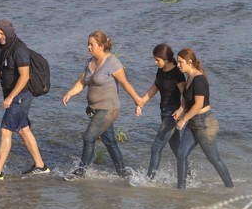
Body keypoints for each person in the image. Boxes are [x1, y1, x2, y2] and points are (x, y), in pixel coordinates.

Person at [61, 31, 143, 177]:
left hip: (109, 108)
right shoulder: (89, 62)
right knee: (109, 140)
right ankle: (123, 172)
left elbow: (125, 83)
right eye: (88, 44)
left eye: (91, 44)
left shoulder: (112, 62)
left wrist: (138, 100)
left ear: (101, 46)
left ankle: (81, 171)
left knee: (88, 137)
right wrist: (69, 93)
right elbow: (82, 82)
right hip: (95, 108)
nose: (89, 47)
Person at [0, 19, 50, 180]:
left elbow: (24, 77)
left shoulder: (19, 49)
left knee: (5, 130)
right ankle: (40, 166)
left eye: (2, 34)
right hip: (12, 95)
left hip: (21, 95)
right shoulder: (1, 46)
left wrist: (10, 97)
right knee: (23, 129)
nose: (0, 37)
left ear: (9, 33)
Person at [136, 43, 197, 187]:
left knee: (156, 147)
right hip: (164, 113)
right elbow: (154, 87)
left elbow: (185, 95)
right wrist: (141, 102)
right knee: (176, 149)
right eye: (155, 59)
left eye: (157, 59)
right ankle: (189, 177)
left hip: (173, 114)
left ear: (166, 59)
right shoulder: (161, 70)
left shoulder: (177, 73)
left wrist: (182, 112)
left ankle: (148, 180)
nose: (155, 62)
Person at [174, 48, 234, 187]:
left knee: (213, 158)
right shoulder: (189, 77)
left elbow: (198, 105)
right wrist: (181, 110)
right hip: (193, 122)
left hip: (205, 124)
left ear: (189, 62)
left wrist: (183, 120)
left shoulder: (199, 79)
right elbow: (187, 101)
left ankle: (230, 188)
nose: (178, 65)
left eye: (180, 62)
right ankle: (180, 190)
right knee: (181, 153)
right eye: (177, 62)